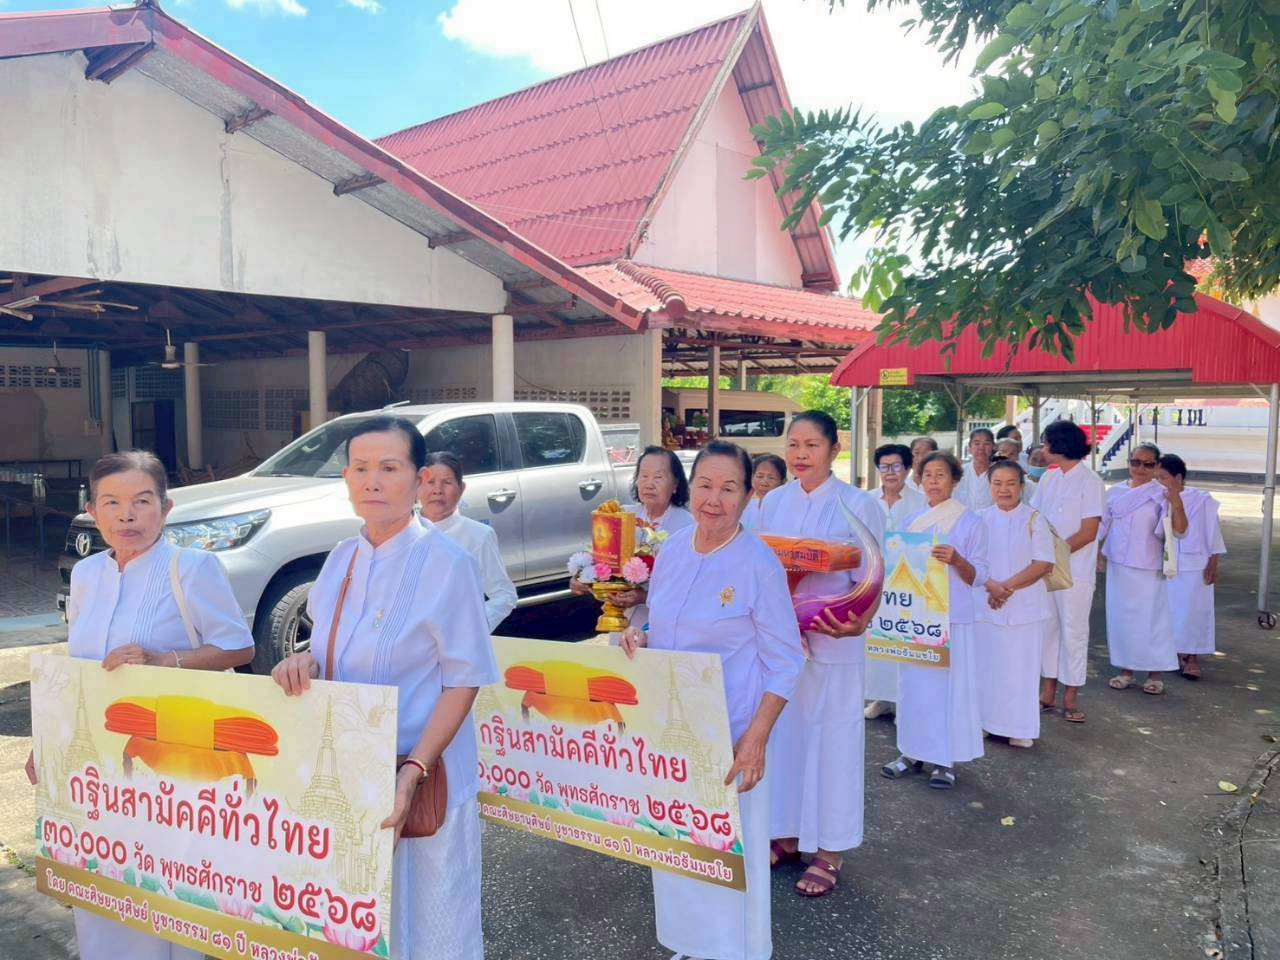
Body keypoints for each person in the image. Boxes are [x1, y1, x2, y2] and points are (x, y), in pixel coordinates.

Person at [272, 416, 496, 960]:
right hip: (350, 773)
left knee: (431, 919)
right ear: (346, 479)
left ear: (418, 480)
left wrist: (413, 772)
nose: (373, 481)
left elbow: (464, 680)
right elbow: (327, 654)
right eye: (361, 468)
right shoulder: (339, 562)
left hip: (423, 772)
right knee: (358, 920)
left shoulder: (449, 564)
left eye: (389, 468)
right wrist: (299, 666)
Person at [25, 450, 254, 960]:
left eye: (141, 501)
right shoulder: (86, 575)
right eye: (112, 503)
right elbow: (78, 668)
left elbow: (239, 647)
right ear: (92, 510)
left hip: (173, 767)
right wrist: (49, 743)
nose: (127, 515)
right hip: (101, 764)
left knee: (177, 889)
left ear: (166, 509)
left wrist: (164, 660)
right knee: (106, 881)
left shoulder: (192, 568)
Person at [620, 441, 804, 960]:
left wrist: (756, 739)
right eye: (705, 485)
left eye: (729, 489)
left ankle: (732, 950)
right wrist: (642, 636)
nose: (714, 499)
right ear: (690, 485)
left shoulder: (757, 563)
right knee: (677, 843)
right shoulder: (673, 550)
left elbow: (787, 659)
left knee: (726, 852)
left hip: (730, 733)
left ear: (748, 496)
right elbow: (664, 621)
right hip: (671, 728)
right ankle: (690, 943)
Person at [761, 411, 884, 897]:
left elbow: (875, 573)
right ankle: (787, 835)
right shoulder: (772, 502)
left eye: (812, 445)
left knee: (832, 743)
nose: (800, 455)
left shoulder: (858, 505)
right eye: (793, 445)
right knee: (784, 740)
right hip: (782, 646)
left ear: (835, 449)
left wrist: (860, 622)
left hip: (835, 638)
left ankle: (830, 850)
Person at [882, 452, 987, 788]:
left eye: (941, 475)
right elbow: (894, 564)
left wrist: (957, 560)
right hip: (915, 618)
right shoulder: (910, 522)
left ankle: (945, 760)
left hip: (951, 619)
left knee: (948, 690)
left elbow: (980, 576)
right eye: (927, 475)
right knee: (911, 688)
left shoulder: (970, 522)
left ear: (955, 481)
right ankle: (909, 752)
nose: (933, 481)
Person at [570, 446, 693, 631]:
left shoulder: (688, 526)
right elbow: (602, 560)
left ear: (675, 485)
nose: (649, 484)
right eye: (643, 476)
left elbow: (689, 588)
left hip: (666, 626)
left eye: (658, 477)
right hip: (622, 622)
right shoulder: (622, 516)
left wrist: (643, 597)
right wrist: (583, 579)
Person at [976, 460, 1054, 748]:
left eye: (1010, 483)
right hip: (986, 603)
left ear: (1022, 486)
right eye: (997, 483)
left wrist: (1005, 589)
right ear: (990, 487)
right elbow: (972, 562)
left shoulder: (1035, 519)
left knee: (1021, 668)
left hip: (1024, 607)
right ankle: (985, 721)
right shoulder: (979, 518)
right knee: (988, 667)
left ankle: (1019, 727)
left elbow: (1043, 563)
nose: (1004, 489)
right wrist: (991, 587)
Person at [1033, 420, 1106, 723]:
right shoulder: (1049, 479)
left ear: (1060, 445)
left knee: (1073, 632)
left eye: (1047, 443)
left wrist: (1054, 555)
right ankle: (1047, 692)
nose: (1043, 449)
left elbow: (1089, 531)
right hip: (1045, 568)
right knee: (1047, 630)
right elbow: (1035, 519)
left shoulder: (1090, 482)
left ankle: (1071, 697)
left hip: (1075, 571)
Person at [1099, 443, 1182, 695]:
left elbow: (1179, 530)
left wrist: (1176, 501)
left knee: (1151, 620)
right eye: (1136, 462)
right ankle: (1126, 670)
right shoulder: (1114, 492)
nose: (1140, 468)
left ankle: (1154, 673)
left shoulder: (1162, 494)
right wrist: (1095, 554)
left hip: (1149, 565)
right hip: (1118, 564)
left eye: (1147, 464)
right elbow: (1102, 525)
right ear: (1129, 463)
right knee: (1121, 618)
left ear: (1157, 466)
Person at [420, 451, 517, 631]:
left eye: (447, 482)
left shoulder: (478, 535)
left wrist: (471, 629)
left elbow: (504, 595)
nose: (437, 490)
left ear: (461, 488)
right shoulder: (401, 533)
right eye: (430, 482)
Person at [864, 443, 924, 720]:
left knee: (902, 640)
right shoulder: (866, 500)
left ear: (908, 468)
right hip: (874, 580)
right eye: (884, 467)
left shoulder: (920, 501)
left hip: (907, 583)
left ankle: (903, 702)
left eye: (896, 466)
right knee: (877, 640)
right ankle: (881, 698)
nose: (890, 473)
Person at [1155, 454, 1226, 680]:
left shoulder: (1202, 499)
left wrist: (1214, 560)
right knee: (1171, 610)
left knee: (1195, 610)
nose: (1160, 482)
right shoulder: (1158, 497)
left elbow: (1212, 531)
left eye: (1163, 477)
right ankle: (1174, 652)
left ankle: (1192, 657)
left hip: (1197, 562)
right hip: (1168, 561)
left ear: (1178, 477)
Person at [955, 428, 995, 512]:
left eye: (986, 444)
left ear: (993, 446)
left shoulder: (999, 473)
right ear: (969, 446)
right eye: (977, 443)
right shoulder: (959, 472)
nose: (981, 447)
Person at [743, 453, 787, 529]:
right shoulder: (745, 507)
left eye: (771, 478)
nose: (764, 483)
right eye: (759, 476)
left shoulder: (786, 511)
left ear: (782, 482)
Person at [996, 438, 1036, 502]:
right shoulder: (988, 477)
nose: (1007, 456)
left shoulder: (1027, 483)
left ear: (1017, 456)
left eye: (1012, 454)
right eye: (1003, 452)